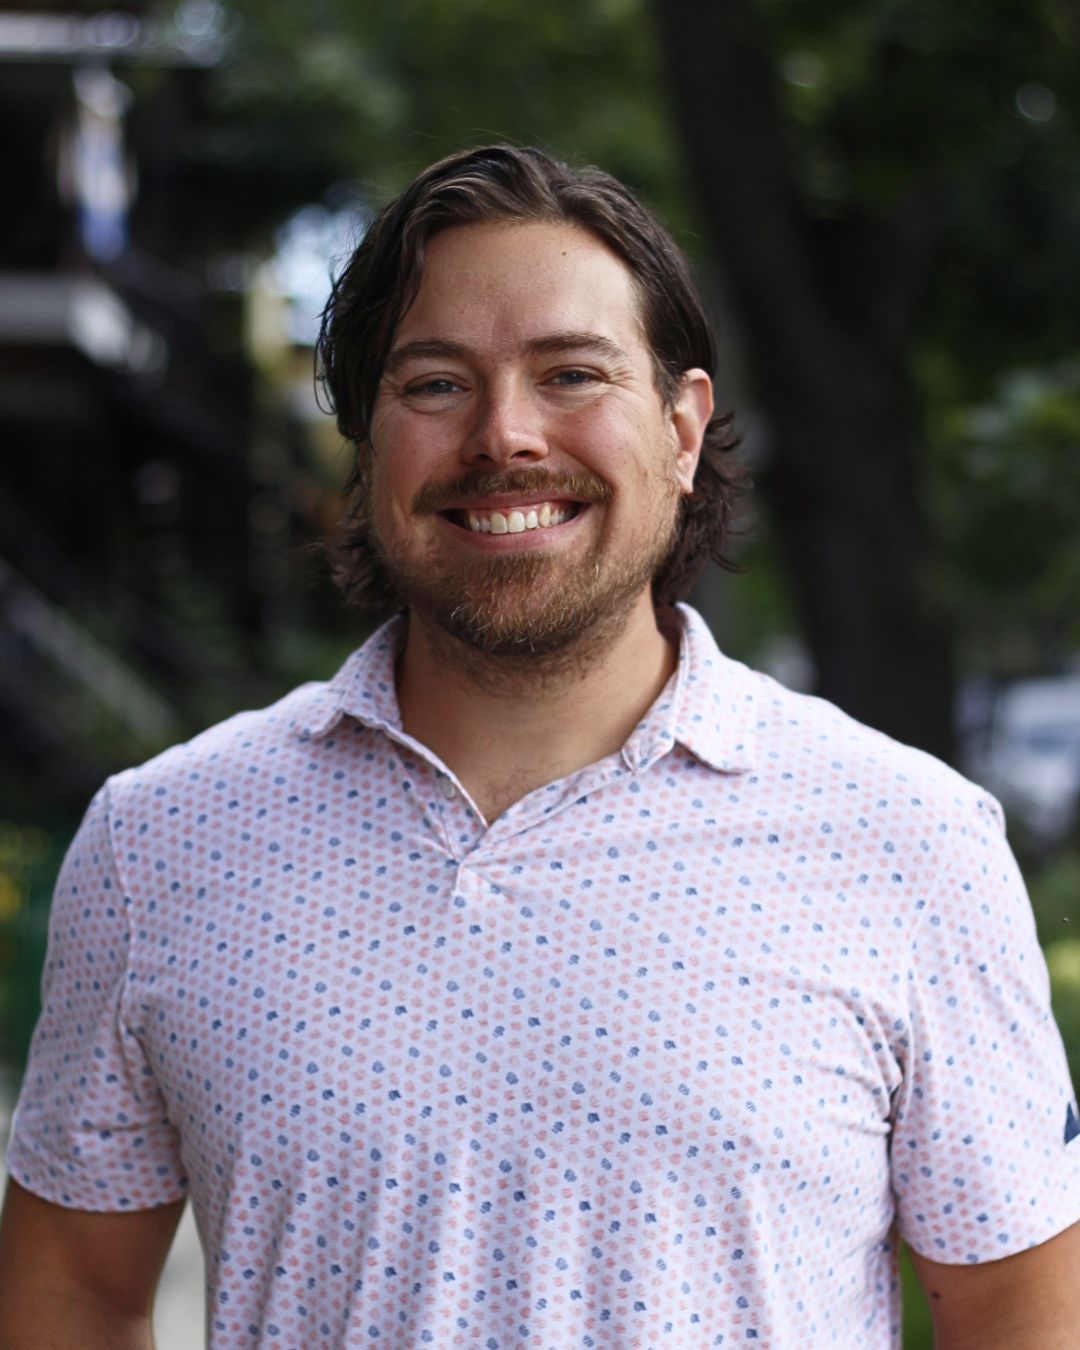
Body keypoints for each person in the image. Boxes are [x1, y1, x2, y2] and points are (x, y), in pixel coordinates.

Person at [0, 145, 1077, 1349]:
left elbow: (1022, 1317)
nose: (505, 435)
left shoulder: (909, 842)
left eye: (571, 373)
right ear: (367, 445)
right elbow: (73, 1292)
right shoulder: (160, 844)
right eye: (435, 386)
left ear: (681, 428)